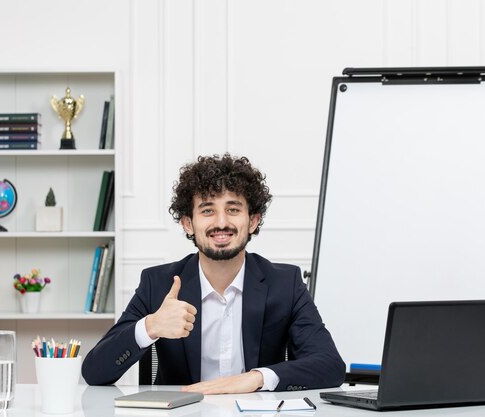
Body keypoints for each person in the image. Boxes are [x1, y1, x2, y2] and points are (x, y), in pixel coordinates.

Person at [81, 154, 345, 393]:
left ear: (252, 220)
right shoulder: (158, 283)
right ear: (188, 224)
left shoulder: (285, 284)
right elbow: (94, 372)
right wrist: (150, 327)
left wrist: (257, 378)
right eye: (207, 210)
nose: (221, 222)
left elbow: (330, 365)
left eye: (233, 209)